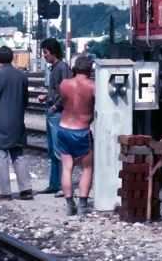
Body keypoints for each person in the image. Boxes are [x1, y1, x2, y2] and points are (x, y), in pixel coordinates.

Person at [0, 45, 33, 201]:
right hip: (17, 121)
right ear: (12, 58)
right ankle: (26, 189)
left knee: (1, 156)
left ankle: (5, 192)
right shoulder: (22, 76)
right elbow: (25, 101)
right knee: (18, 154)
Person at [58, 53, 96, 216]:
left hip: (63, 128)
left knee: (67, 168)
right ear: (90, 70)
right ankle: (82, 205)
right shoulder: (93, 86)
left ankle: (69, 205)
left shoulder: (64, 84)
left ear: (74, 69)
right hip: (80, 131)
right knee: (87, 168)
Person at [36, 38, 70, 194]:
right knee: (52, 150)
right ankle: (54, 184)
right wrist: (47, 97)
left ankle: (63, 186)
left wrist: (56, 106)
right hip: (51, 110)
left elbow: (66, 91)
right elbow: (57, 90)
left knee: (59, 150)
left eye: (45, 52)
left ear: (53, 52)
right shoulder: (55, 68)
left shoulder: (63, 68)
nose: (44, 55)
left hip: (57, 113)